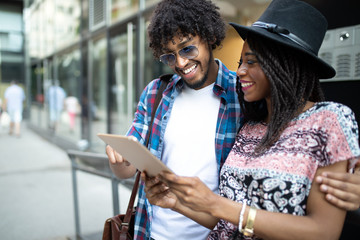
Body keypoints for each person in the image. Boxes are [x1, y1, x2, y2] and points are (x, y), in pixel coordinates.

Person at [142, 0, 360, 239]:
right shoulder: (250, 128)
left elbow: (323, 232)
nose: (241, 71)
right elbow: (227, 221)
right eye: (241, 62)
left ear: (284, 64)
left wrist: (217, 204)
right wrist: (175, 202)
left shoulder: (328, 120)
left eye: (251, 61)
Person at [107, 0, 241, 239]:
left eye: (187, 49)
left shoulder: (241, 95)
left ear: (209, 37)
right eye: (170, 56)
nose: (180, 63)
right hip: (153, 233)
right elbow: (126, 170)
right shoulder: (156, 92)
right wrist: (119, 160)